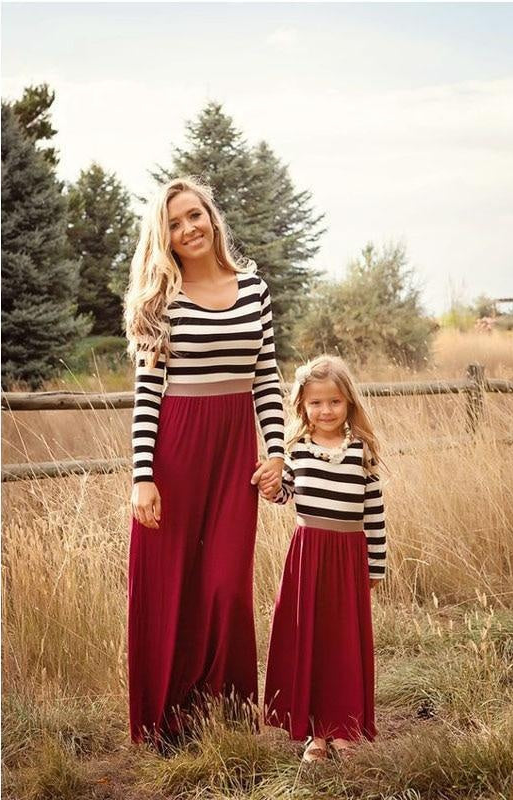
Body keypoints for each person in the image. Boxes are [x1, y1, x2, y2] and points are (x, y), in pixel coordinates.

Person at [123, 177, 285, 744]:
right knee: (174, 586)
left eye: (195, 215)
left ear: (212, 218)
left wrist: (278, 450)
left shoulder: (254, 289)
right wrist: (143, 476)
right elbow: (148, 396)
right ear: (162, 236)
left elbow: (265, 376)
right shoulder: (157, 301)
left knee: (226, 587)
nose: (188, 228)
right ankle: (172, 724)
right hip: (175, 454)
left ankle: (228, 715)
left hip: (233, 453)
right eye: (174, 223)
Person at [256, 355, 386, 762]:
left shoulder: (361, 452)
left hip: (348, 558)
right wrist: (271, 489)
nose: (325, 410)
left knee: (343, 644)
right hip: (308, 556)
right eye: (315, 403)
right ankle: (316, 733)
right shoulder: (297, 451)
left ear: (348, 404)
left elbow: (375, 513)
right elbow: (286, 495)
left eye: (334, 402)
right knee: (310, 641)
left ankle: (344, 729)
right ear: (301, 406)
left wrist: (376, 565)